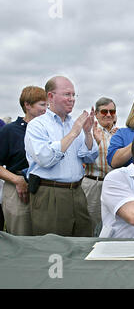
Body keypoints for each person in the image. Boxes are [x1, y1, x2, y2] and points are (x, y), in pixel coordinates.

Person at [24, 76, 98, 236]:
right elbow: (45, 158)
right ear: (50, 96)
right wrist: (73, 133)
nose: (72, 99)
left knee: (82, 245)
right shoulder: (37, 125)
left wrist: (87, 133)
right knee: (53, 250)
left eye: (73, 95)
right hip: (50, 194)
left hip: (77, 192)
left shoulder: (76, 124)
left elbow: (89, 157)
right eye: (67, 94)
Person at [0, 86, 47, 235]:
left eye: (47, 105)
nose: (46, 109)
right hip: (18, 191)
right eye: (42, 105)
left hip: (44, 190)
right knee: (21, 238)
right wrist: (17, 180)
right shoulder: (10, 131)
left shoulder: (48, 130)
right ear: (27, 105)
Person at [81, 97, 118, 236]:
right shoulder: (88, 132)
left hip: (115, 184)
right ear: (96, 114)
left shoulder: (120, 133)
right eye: (104, 112)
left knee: (115, 222)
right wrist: (96, 142)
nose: (108, 115)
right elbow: (83, 158)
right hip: (94, 184)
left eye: (112, 111)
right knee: (92, 224)